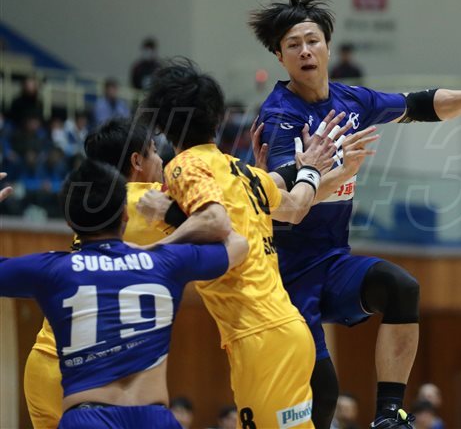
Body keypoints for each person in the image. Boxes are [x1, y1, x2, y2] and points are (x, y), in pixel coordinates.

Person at [249, 0, 461, 429]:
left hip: (331, 261)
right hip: (285, 275)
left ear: (328, 46)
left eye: (312, 40)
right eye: (293, 45)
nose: (305, 51)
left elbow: (419, 104)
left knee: (400, 286)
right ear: (279, 56)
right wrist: (340, 175)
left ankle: (388, 415)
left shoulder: (351, 101)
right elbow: (287, 207)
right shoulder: (280, 118)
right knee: (323, 392)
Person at [139, 58, 344, 427]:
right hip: (286, 330)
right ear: (217, 119)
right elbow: (297, 208)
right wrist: (311, 169)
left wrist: (150, 251)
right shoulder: (244, 172)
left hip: (260, 337)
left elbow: (214, 220)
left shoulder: (184, 166)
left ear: (164, 126)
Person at [0, 158, 248, 428]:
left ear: (70, 223)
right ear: (125, 215)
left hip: (88, 419)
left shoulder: (53, 269)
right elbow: (238, 244)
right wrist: (173, 218)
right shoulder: (165, 261)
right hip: (154, 420)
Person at [22, 117, 190, 429]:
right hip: (89, 375)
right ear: (136, 161)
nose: (161, 160)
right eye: (155, 152)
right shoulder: (147, 199)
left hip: (42, 362)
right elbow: (217, 211)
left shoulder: (93, 205)